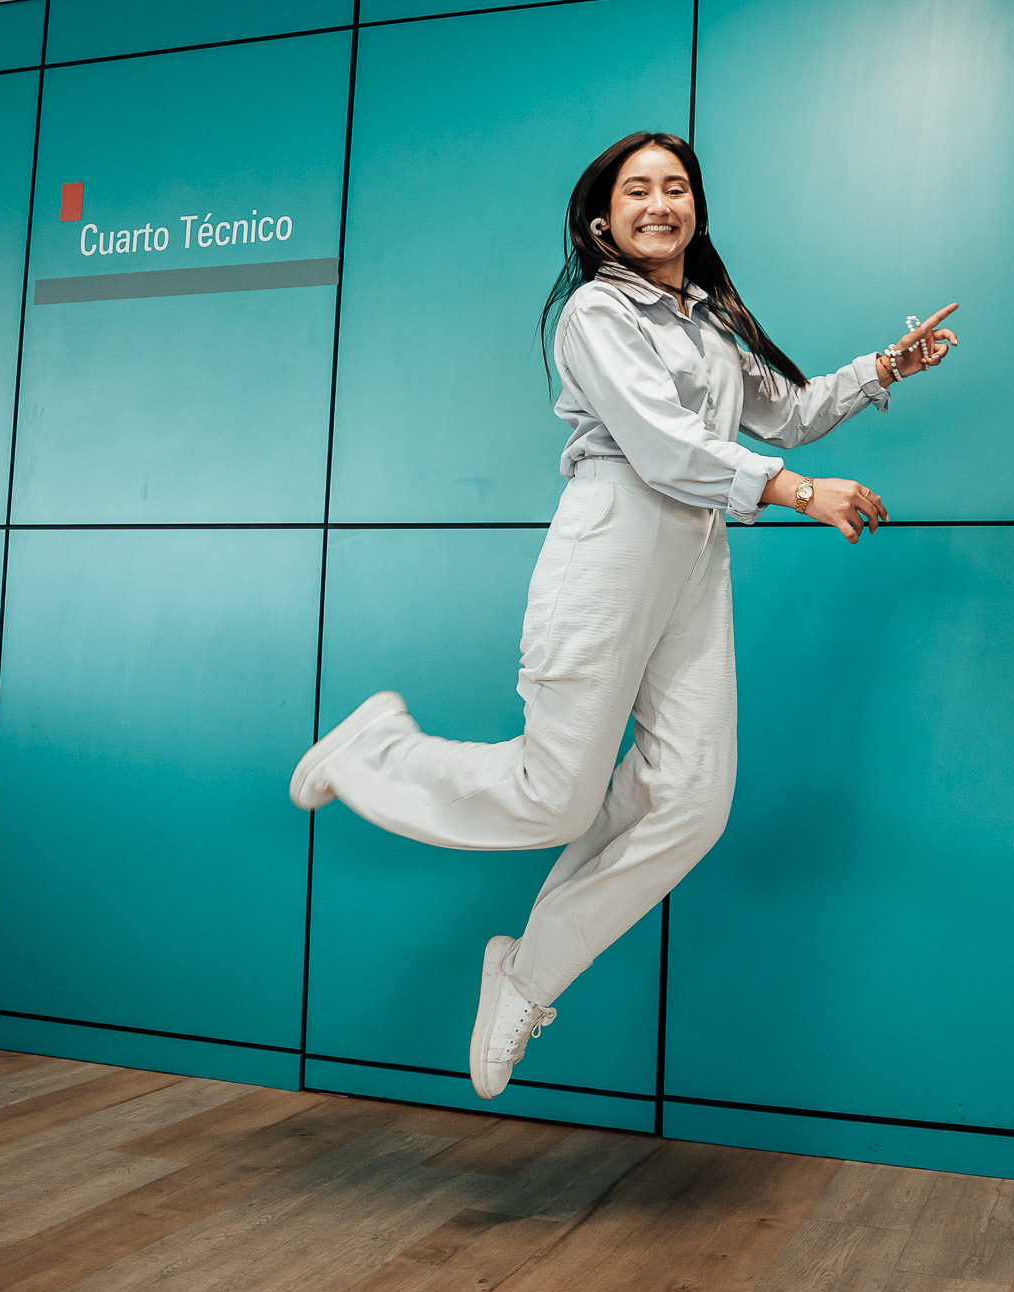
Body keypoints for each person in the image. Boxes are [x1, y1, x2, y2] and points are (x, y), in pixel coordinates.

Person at [289, 130, 959, 1098]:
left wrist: (886, 368)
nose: (659, 203)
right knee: (553, 797)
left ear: (696, 209)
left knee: (690, 801)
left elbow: (790, 409)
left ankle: (525, 975)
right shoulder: (595, 313)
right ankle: (375, 751)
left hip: (692, 557)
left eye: (675, 187)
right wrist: (800, 493)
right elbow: (661, 443)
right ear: (603, 218)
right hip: (610, 543)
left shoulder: (711, 327)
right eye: (637, 189)